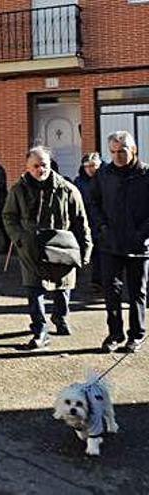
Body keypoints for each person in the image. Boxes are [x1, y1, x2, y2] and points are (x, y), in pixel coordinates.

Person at [3, 146, 91, 350]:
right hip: (31, 248)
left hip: (61, 247)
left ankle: (60, 317)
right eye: (35, 166)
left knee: (63, 287)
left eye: (43, 165)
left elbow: (80, 221)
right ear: (27, 167)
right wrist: (20, 238)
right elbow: (9, 217)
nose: (39, 169)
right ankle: (40, 330)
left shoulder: (67, 189)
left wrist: (85, 251)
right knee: (34, 289)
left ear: (50, 164)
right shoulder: (18, 190)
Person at [90, 131, 149, 354]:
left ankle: (137, 335)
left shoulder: (145, 174)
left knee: (137, 293)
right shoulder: (104, 174)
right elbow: (94, 203)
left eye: (122, 151)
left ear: (133, 150)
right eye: (113, 152)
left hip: (138, 246)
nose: (117, 156)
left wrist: (142, 233)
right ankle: (114, 334)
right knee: (111, 292)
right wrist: (102, 228)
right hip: (110, 244)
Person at [74, 152, 103, 289]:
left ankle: (99, 280)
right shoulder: (79, 181)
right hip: (85, 219)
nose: (90, 169)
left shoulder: (105, 178)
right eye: (87, 166)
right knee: (87, 249)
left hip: (101, 220)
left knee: (101, 251)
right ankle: (87, 277)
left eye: (93, 166)